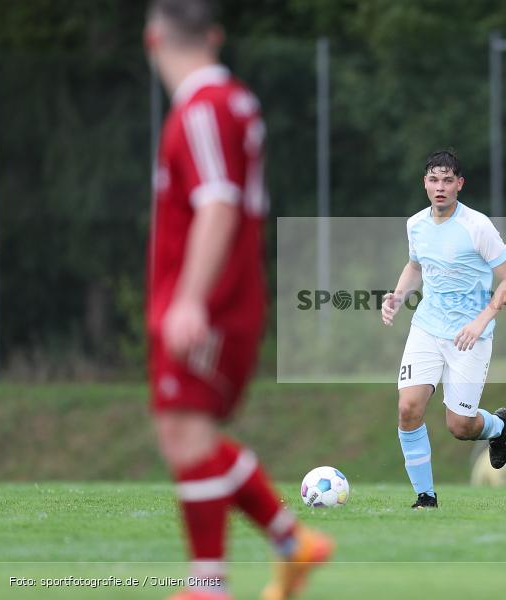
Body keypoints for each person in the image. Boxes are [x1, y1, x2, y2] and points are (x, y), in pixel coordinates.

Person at [144, 1, 332, 598]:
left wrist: (191, 299)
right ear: (216, 36)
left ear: (153, 39)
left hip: (214, 296)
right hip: (225, 292)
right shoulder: (228, 102)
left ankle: (208, 586)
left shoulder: (202, 108)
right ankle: (292, 544)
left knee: (184, 431)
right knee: (186, 433)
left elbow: (219, 203)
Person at [381, 150, 506, 508]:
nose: (439, 187)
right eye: (433, 179)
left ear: (459, 184)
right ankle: (425, 497)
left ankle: (498, 427)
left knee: (460, 426)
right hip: (426, 329)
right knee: (408, 408)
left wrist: (480, 321)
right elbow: (415, 265)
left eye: (447, 180)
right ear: (424, 183)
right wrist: (398, 297)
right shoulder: (415, 224)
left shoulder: (478, 226)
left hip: (469, 337)